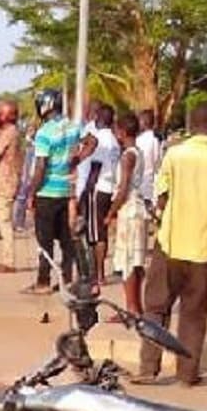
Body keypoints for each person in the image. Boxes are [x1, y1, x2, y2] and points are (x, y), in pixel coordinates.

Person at [133, 101, 207, 388]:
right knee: (194, 312)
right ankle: (188, 374)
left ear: (191, 125)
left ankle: (147, 368)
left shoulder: (175, 155)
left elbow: (162, 196)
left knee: (156, 307)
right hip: (204, 248)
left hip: (170, 242)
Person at [24, 89, 83, 295]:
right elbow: (92, 141)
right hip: (66, 190)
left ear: (44, 106)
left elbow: (40, 167)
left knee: (45, 240)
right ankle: (66, 279)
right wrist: (77, 158)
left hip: (47, 192)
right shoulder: (73, 126)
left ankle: (43, 281)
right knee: (66, 239)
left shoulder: (44, 133)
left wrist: (31, 192)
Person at [108, 113, 147, 318]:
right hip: (137, 208)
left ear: (122, 132)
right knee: (135, 260)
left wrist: (110, 213)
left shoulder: (127, 156)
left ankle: (131, 308)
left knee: (128, 261)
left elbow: (123, 189)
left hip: (129, 210)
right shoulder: (137, 152)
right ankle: (136, 305)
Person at [76, 104, 120, 283]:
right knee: (102, 231)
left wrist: (85, 192)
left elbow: (95, 168)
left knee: (95, 234)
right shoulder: (114, 140)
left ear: (98, 119)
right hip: (109, 188)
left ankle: (98, 274)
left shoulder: (99, 140)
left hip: (97, 187)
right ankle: (99, 272)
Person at [0, 100, 24, 273]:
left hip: (5, 180)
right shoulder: (12, 132)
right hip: (7, 180)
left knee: (4, 221)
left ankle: (9, 261)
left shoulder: (8, 133)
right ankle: (7, 258)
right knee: (3, 219)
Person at [136, 109, 162, 217]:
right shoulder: (155, 140)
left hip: (142, 176)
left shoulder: (139, 140)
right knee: (148, 204)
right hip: (150, 176)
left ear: (144, 122)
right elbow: (157, 160)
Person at [13, 122, 37, 231]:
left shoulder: (36, 144)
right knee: (21, 198)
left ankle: (24, 223)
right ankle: (19, 223)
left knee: (29, 199)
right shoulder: (24, 144)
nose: (32, 132)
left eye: (33, 130)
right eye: (30, 129)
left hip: (32, 174)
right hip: (24, 173)